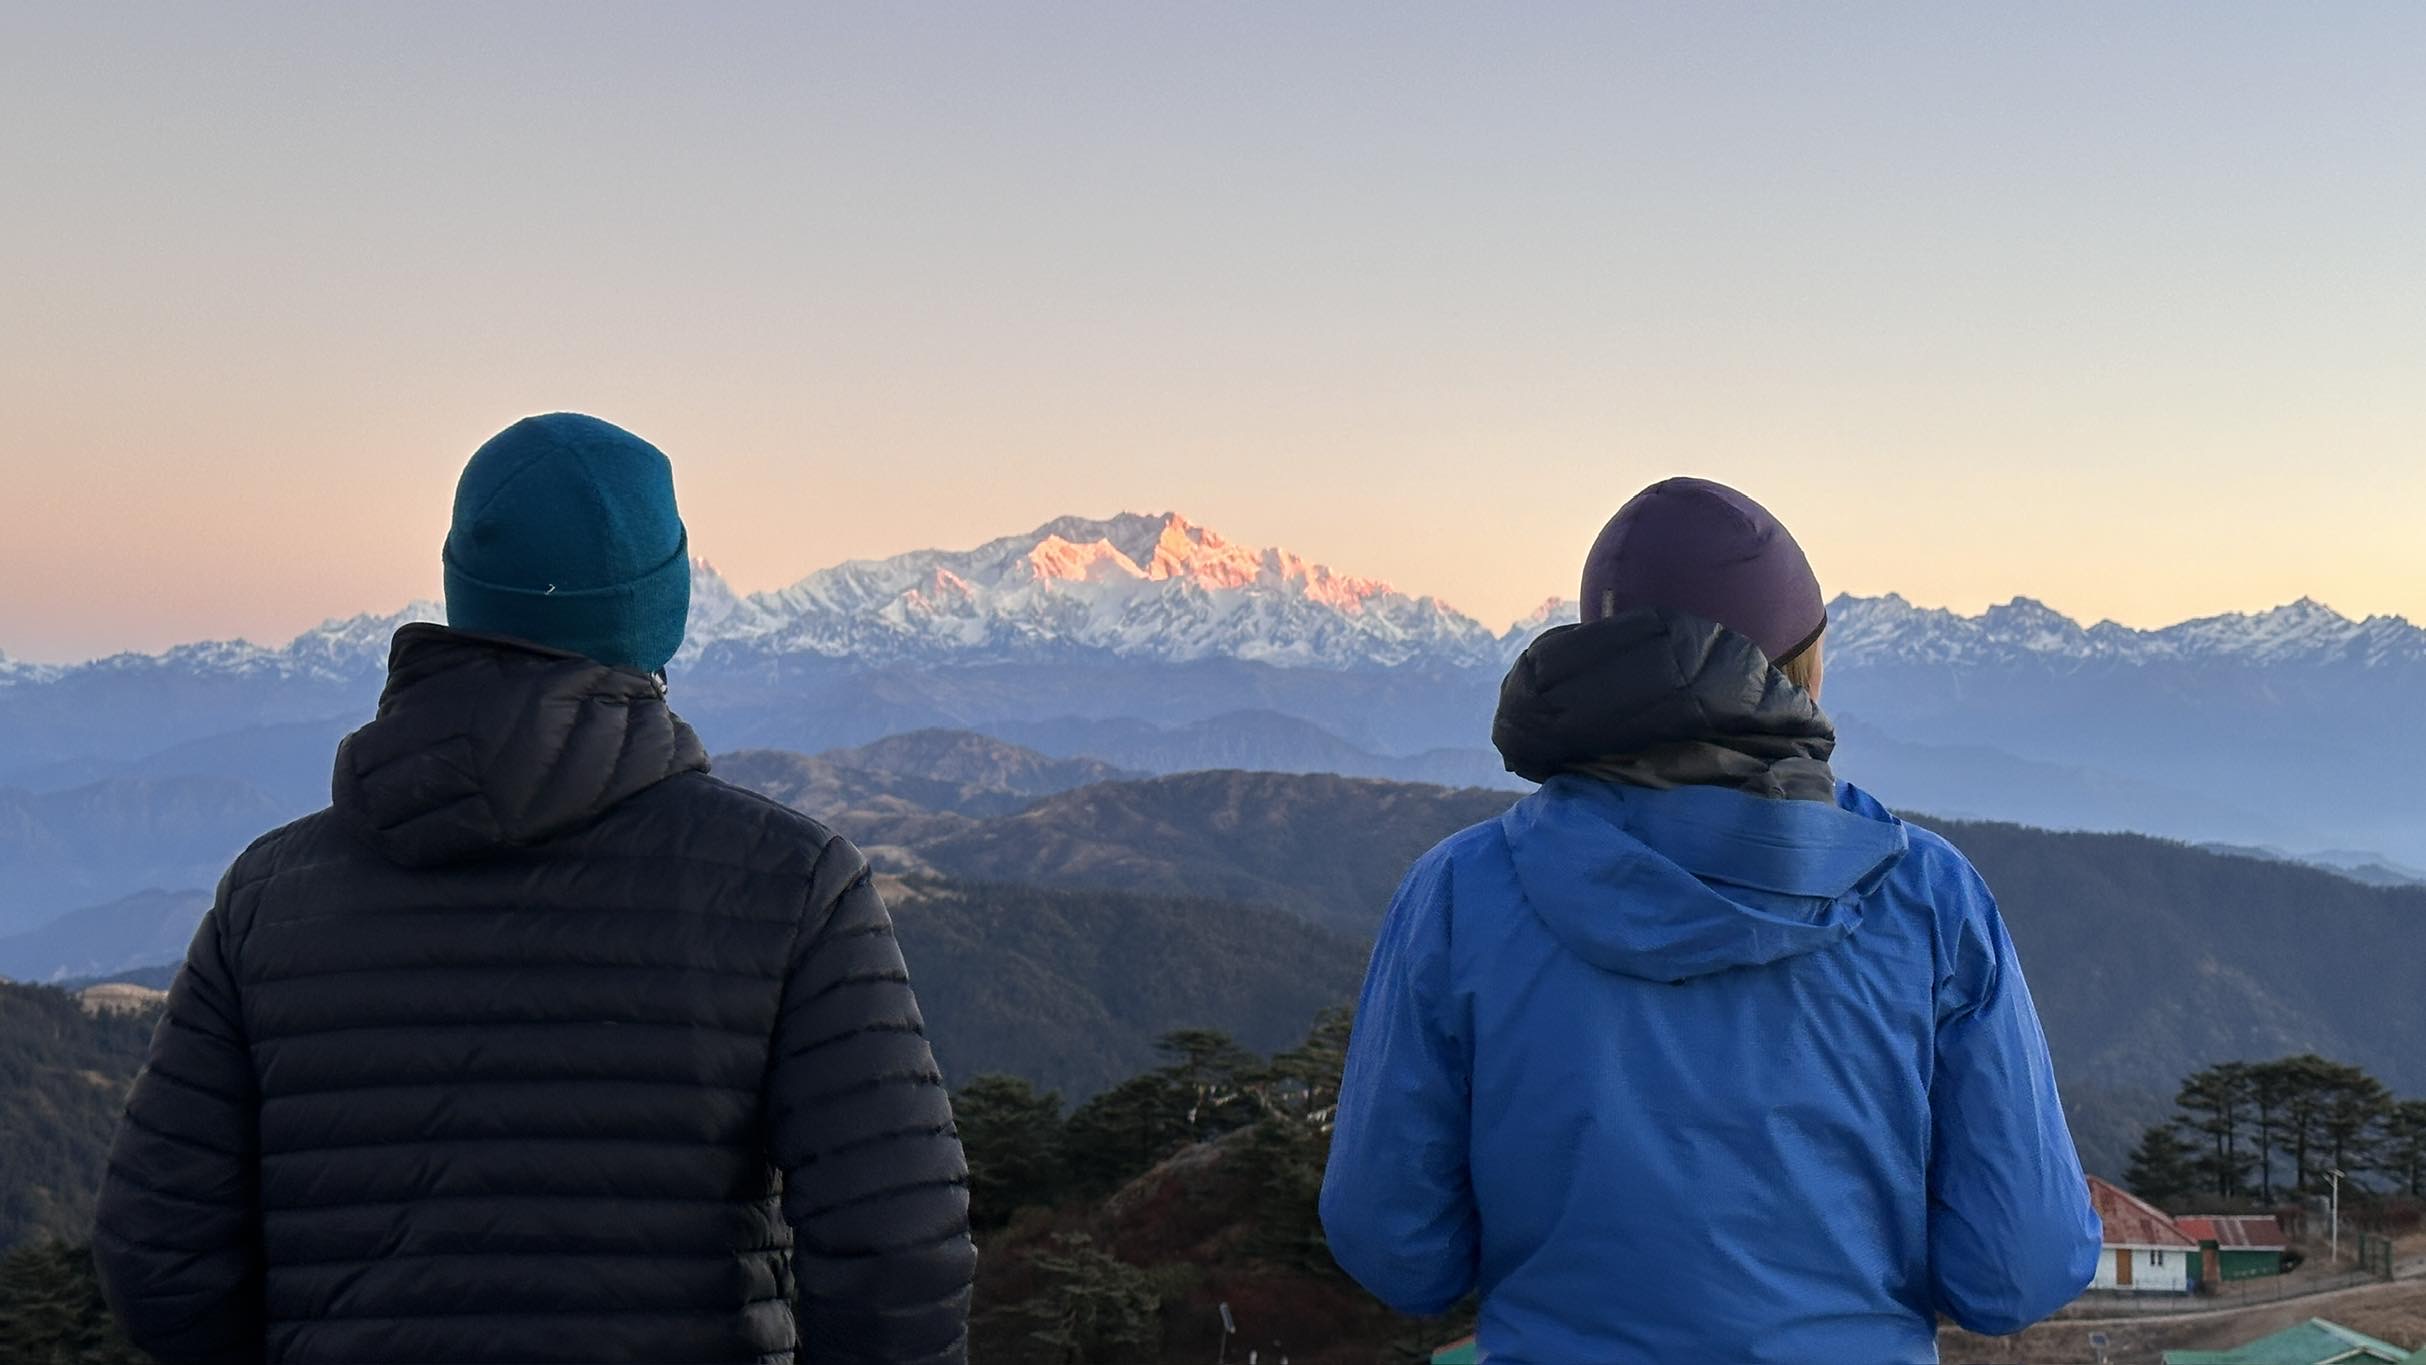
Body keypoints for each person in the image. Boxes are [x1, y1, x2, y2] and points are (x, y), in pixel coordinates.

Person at [92, 413, 975, 1364]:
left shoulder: (265, 898)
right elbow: (898, 1257)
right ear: (660, 608)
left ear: (462, 593)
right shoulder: (795, 884)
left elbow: (158, 1256)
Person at [1319, 477, 2101, 1364]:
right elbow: (2018, 1269)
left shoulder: (1458, 895)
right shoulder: (1925, 899)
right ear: (1802, 669)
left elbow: (1396, 1248)